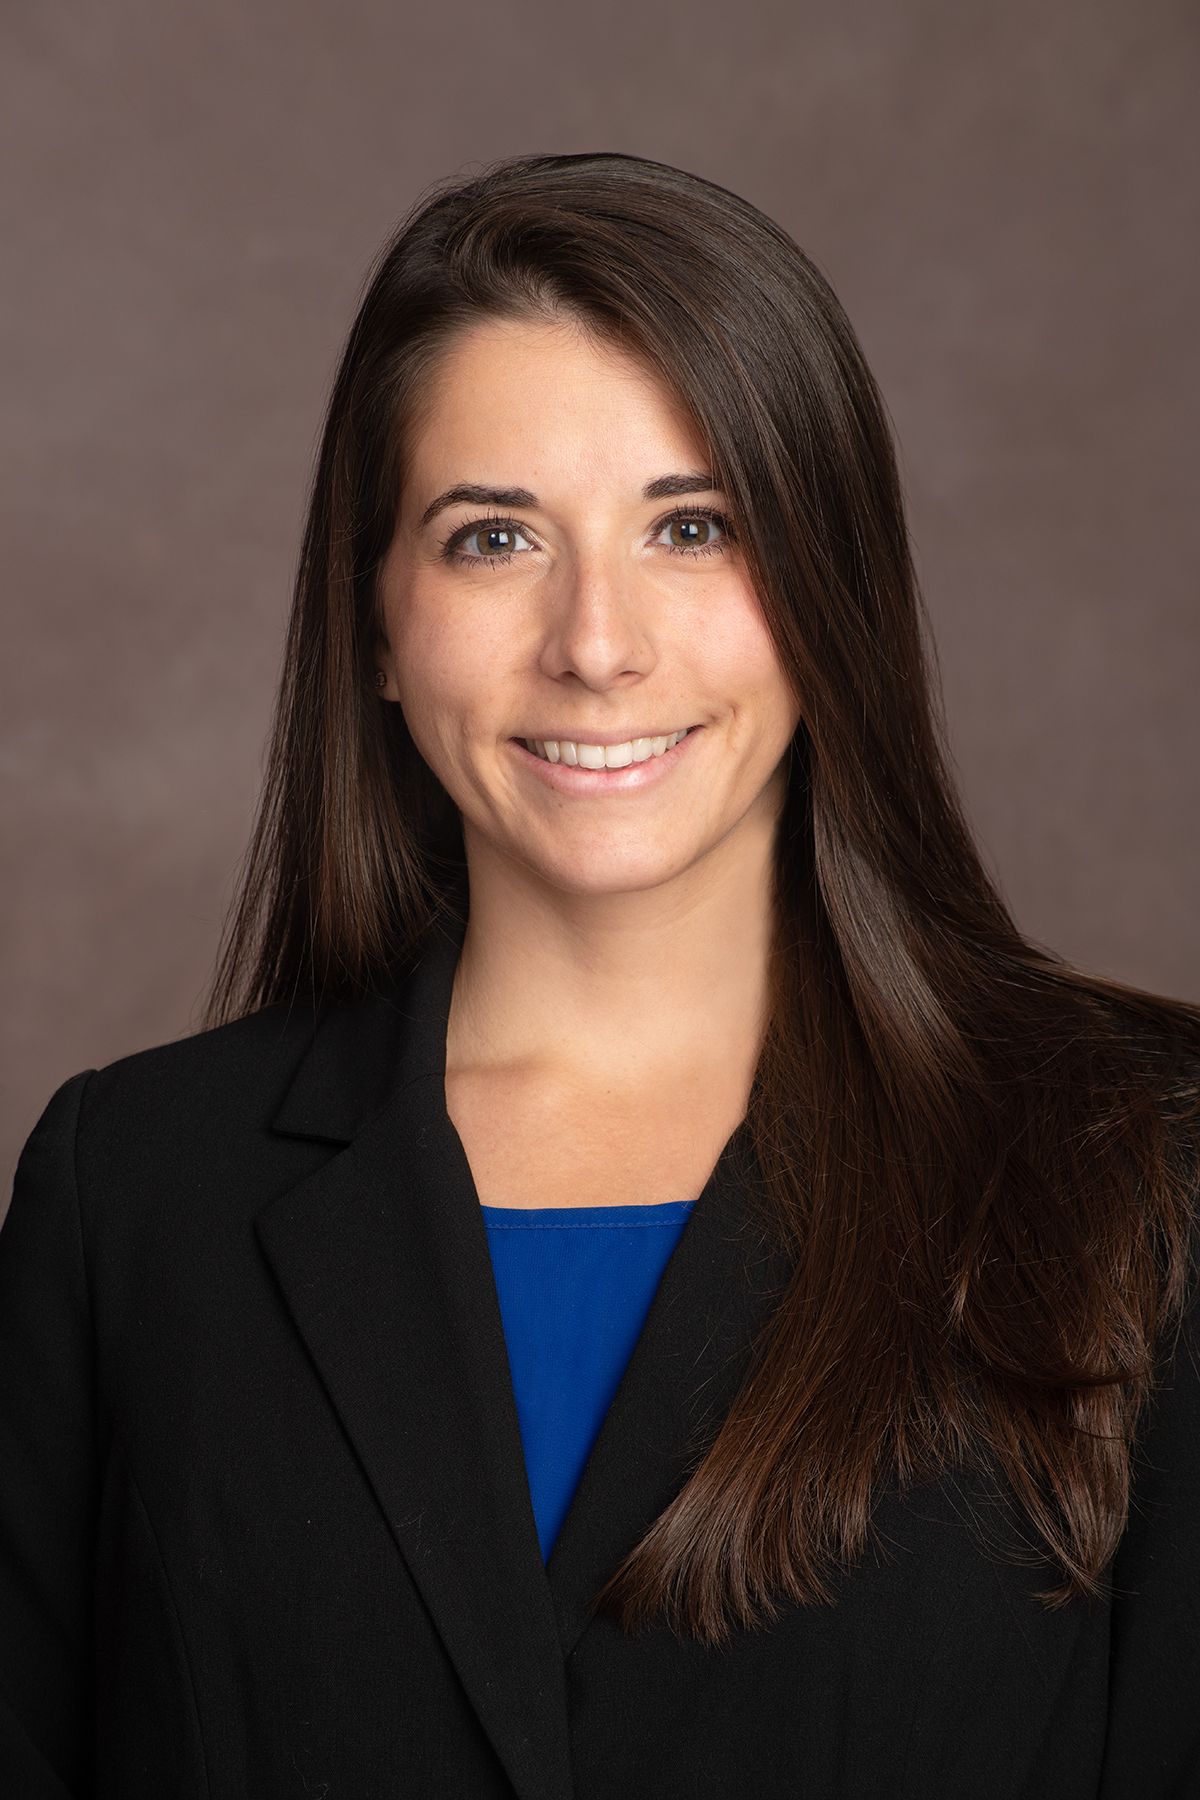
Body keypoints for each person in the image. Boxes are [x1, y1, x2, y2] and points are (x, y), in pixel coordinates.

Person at [2, 150, 1198, 1800]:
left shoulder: (1143, 1165)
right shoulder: (130, 1199)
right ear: (375, 625)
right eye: (495, 538)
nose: (597, 642)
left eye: (694, 527)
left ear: (831, 590)